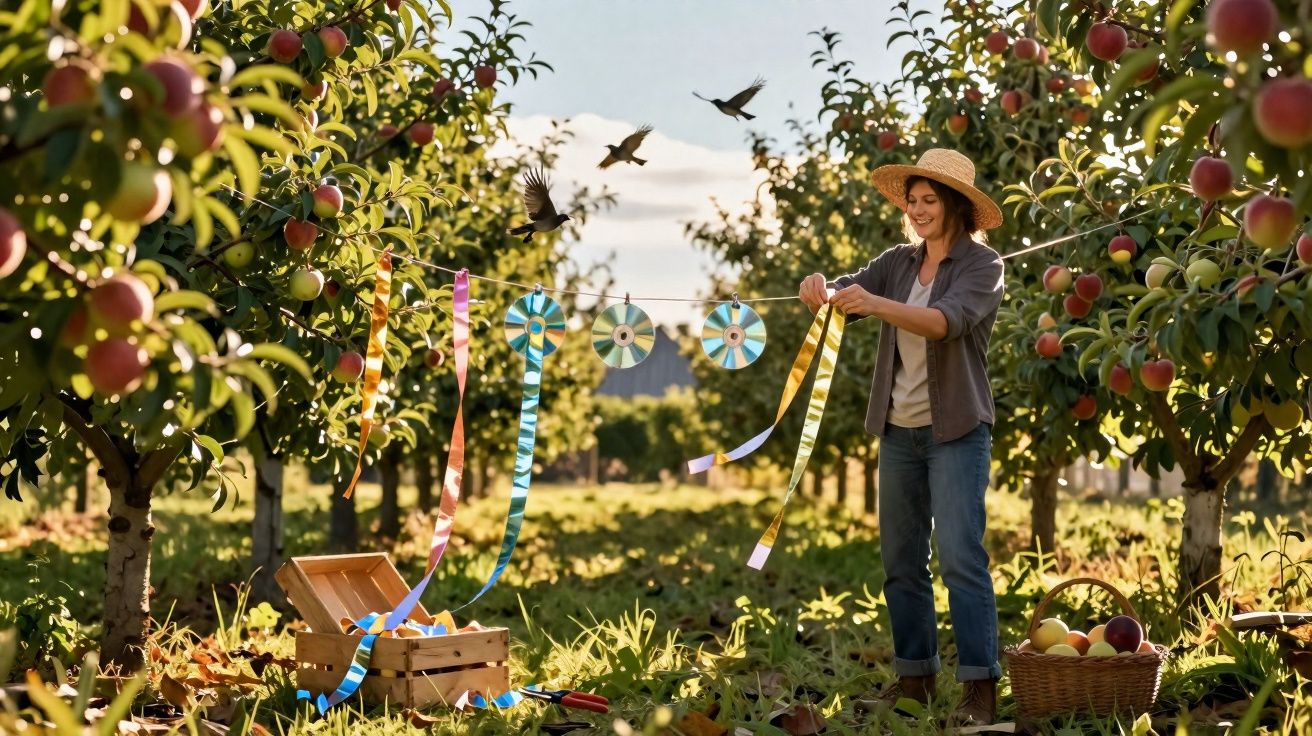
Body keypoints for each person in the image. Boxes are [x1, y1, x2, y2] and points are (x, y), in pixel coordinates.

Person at [797, 148, 1006, 727]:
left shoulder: (980, 267)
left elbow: (946, 322)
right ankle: (914, 678)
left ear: (956, 206)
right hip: (897, 433)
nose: (916, 210)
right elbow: (846, 293)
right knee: (901, 562)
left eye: (928, 201)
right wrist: (820, 288)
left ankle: (979, 688)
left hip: (957, 433)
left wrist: (879, 305)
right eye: (911, 201)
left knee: (962, 557)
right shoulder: (896, 262)